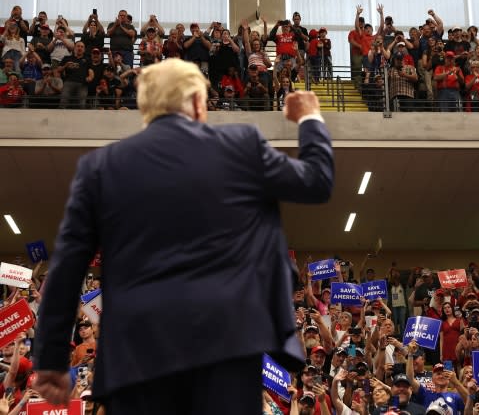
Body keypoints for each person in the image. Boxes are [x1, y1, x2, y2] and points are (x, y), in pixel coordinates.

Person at [32, 58, 334, 415]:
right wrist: (310, 117)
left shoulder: (99, 168)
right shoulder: (242, 145)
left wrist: (50, 356)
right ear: (195, 101)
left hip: (135, 355)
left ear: (147, 107)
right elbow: (317, 181)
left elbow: (68, 266)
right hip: (228, 346)